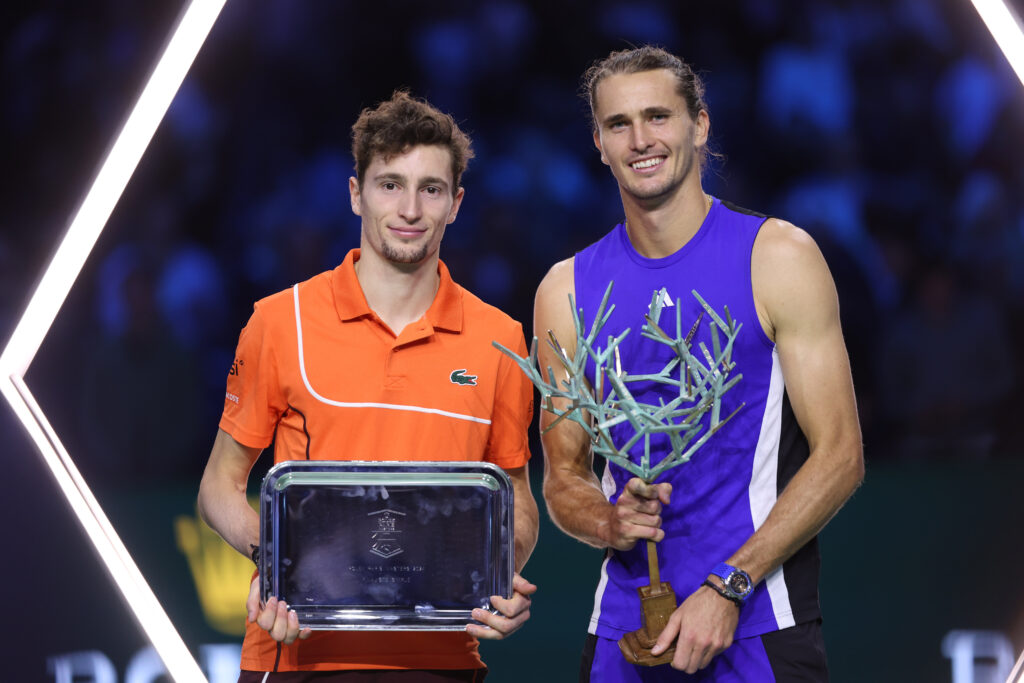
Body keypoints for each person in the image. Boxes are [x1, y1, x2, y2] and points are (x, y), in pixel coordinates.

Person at [533, 47, 864, 681]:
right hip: (624, 634)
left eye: (658, 116)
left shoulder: (779, 257)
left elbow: (841, 455)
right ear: (599, 142)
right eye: (619, 124)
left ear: (700, 125)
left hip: (757, 621)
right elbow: (564, 476)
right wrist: (606, 518)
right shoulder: (564, 290)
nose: (641, 139)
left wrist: (730, 584)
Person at [198, 90, 539, 681]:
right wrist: (279, 565)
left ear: (455, 203)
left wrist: (499, 573)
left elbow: (515, 497)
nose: (409, 207)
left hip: (441, 661)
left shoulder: (501, 338)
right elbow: (217, 487)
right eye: (389, 184)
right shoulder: (280, 322)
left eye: (430, 188)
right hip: (295, 655)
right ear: (356, 192)